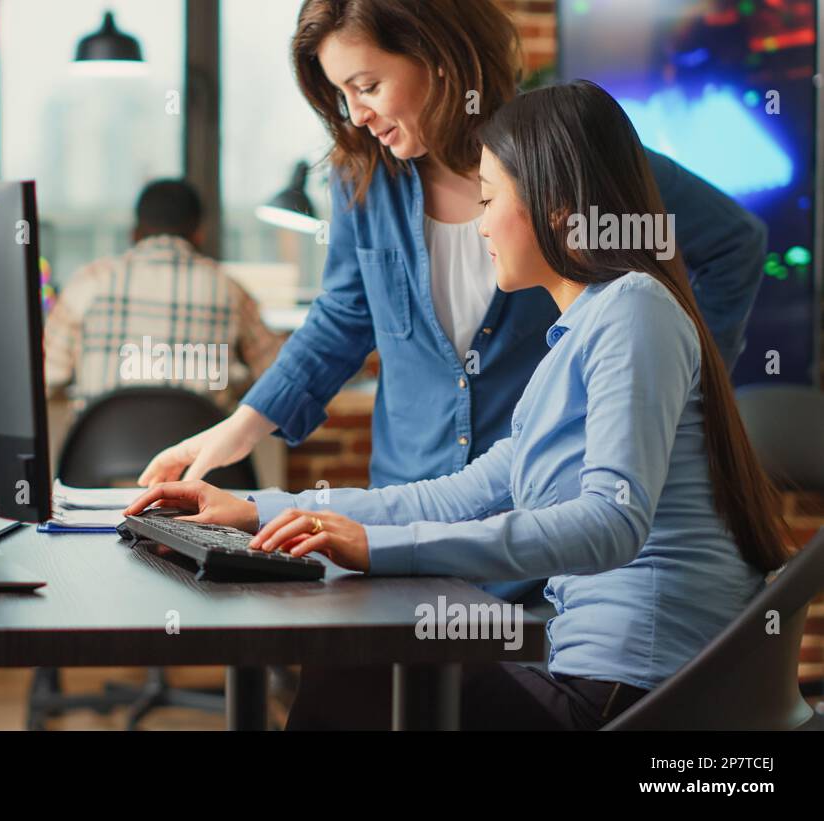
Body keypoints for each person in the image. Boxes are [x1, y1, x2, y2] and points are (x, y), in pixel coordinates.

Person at [125, 80, 793, 730]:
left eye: (489, 198)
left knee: (355, 663)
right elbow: (459, 493)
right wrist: (257, 510)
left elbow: (611, 523)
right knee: (354, 657)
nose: (477, 226)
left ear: (558, 208)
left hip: (630, 694)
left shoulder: (634, 311)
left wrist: (381, 549)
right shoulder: (574, 339)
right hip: (591, 675)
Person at [138, 0, 767, 608]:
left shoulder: (557, 158)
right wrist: (236, 434)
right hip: (411, 505)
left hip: (543, 528)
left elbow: (733, 244)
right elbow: (341, 319)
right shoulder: (363, 177)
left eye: (369, 84)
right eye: (341, 95)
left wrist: (666, 388)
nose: (356, 115)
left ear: (435, 56)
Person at [43, 179, 283, 409]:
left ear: (134, 234)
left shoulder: (89, 283)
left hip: (101, 450)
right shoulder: (228, 289)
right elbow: (277, 372)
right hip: (200, 451)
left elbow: (44, 376)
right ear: (199, 233)